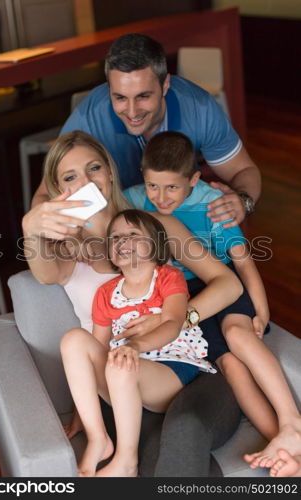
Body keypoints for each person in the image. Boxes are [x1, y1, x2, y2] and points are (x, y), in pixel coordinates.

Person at [22, 130, 243, 476]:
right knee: (168, 463)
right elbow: (44, 274)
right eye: (70, 177)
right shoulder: (64, 254)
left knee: (185, 433)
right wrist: (31, 227)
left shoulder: (157, 228)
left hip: (188, 370)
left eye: (94, 168)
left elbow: (228, 283)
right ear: (57, 191)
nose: (86, 181)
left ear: (110, 172)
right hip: (121, 386)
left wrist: (176, 320)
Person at [124, 130, 301, 473]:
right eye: (152, 186)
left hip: (223, 280)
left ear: (194, 178)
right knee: (230, 365)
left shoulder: (211, 203)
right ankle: (284, 446)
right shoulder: (133, 198)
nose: (160, 198)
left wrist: (262, 309)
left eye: (172, 187)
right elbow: (99, 208)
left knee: (238, 335)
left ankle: (292, 420)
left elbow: (243, 261)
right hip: (185, 296)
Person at [32, 33, 261, 228]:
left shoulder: (199, 108)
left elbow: (244, 170)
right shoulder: (88, 117)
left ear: (165, 85)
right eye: (120, 97)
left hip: (184, 226)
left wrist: (243, 200)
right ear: (108, 89)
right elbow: (44, 194)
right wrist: (44, 224)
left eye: (143, 96)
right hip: (119, 231)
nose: (132, 112)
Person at [61, 209, 217, 477]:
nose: (123, 241)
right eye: (116, 237)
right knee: (74, 340)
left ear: (155, 244)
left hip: (170, 370)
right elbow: (95, 348)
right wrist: (80, 412)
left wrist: (135, 346)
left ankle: (126, 462)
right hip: (123, 378)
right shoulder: (106, 293)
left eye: (133, 234)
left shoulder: (168, 277)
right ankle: (99, 439)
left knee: (121, 363)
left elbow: (172, 322)